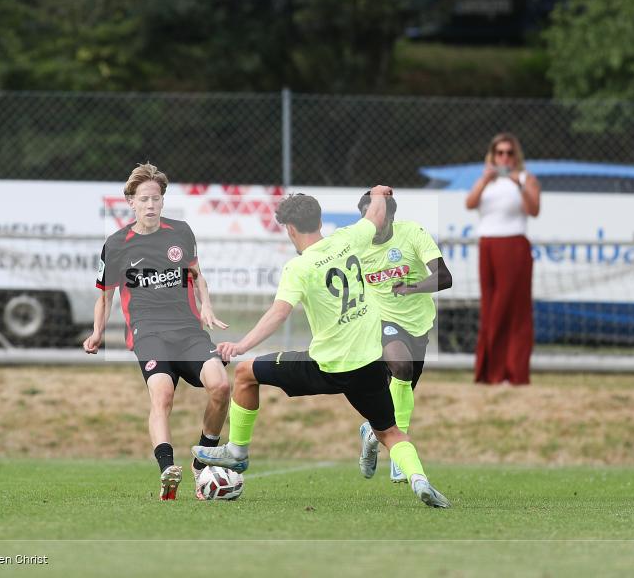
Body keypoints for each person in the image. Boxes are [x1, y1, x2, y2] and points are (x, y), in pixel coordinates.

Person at [192, 187, 451, 508]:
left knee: (245, 373)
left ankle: (237, 452)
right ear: (319, 220)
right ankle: (420, 480)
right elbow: (376, 213)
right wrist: (381, 191)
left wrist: (240, 345)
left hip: (327, 365)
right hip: (368, 363)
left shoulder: (298, 268)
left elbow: (279, 314)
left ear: (289, 229)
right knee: (390, 432)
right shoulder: (349, 239)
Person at [83, 163, 230, 501]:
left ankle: (201, 460)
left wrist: (206, 305)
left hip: (189, 332)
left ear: (163, 202)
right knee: (162, 394)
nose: (151, 205)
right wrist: (97, 333)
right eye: (144, 199)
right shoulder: (117, 244)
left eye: (156, 199)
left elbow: (197, 275)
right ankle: (167, 468)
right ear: (131, 203)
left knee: (221, 387)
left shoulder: (180, 232)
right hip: (148, 333)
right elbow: (104, 296)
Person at [352, 191, 452, 484]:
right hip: (379, 321)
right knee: (402, 366)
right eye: (366, 216)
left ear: (392, 217)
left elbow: (444, 277)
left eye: (378, 216)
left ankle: (372, 433)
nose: (371, 223)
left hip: (418, 325)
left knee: (400, 392)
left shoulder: (413, 234)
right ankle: (401, 453)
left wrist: (413, 285)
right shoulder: (356, 244)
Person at [464, 132, 540, 386]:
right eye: (500, 153)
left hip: (513, 244)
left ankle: (513, 371)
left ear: (516, 156)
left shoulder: (525, 178)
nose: (504, 158)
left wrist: (519, 184)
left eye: (509, 153)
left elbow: (534, 210)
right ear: (493, 155)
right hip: (488, 244)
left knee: (513, 310)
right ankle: (489, 371)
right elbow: (470, 203)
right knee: (490, 308)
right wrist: (486, 180)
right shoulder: (488, 180)